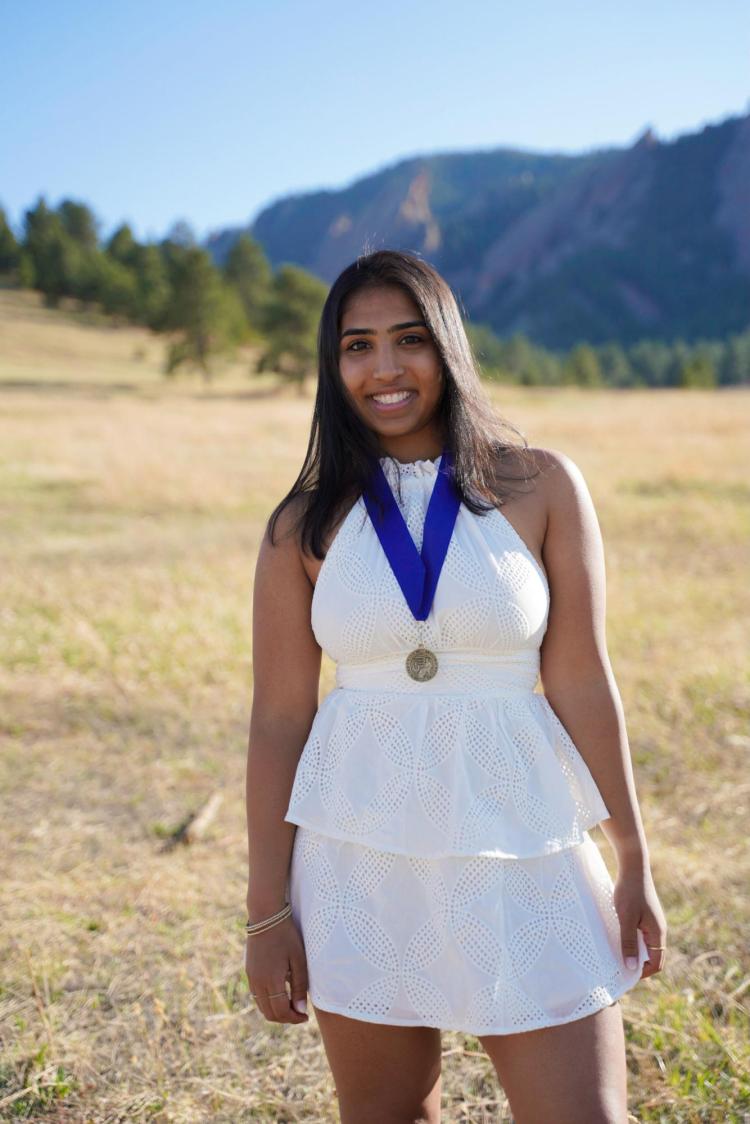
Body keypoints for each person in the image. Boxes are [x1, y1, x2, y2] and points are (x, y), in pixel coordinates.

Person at [244, 249, 667, 1123]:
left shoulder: (541, 483)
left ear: (448, 345)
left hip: (522, 842)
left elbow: (584, 679)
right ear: (333, 367)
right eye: (357, 346)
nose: (385, 368)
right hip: (358, 857)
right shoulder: (303, 524)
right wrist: (265, 912)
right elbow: (280, 719)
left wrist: (634, 858)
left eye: (409, 340)